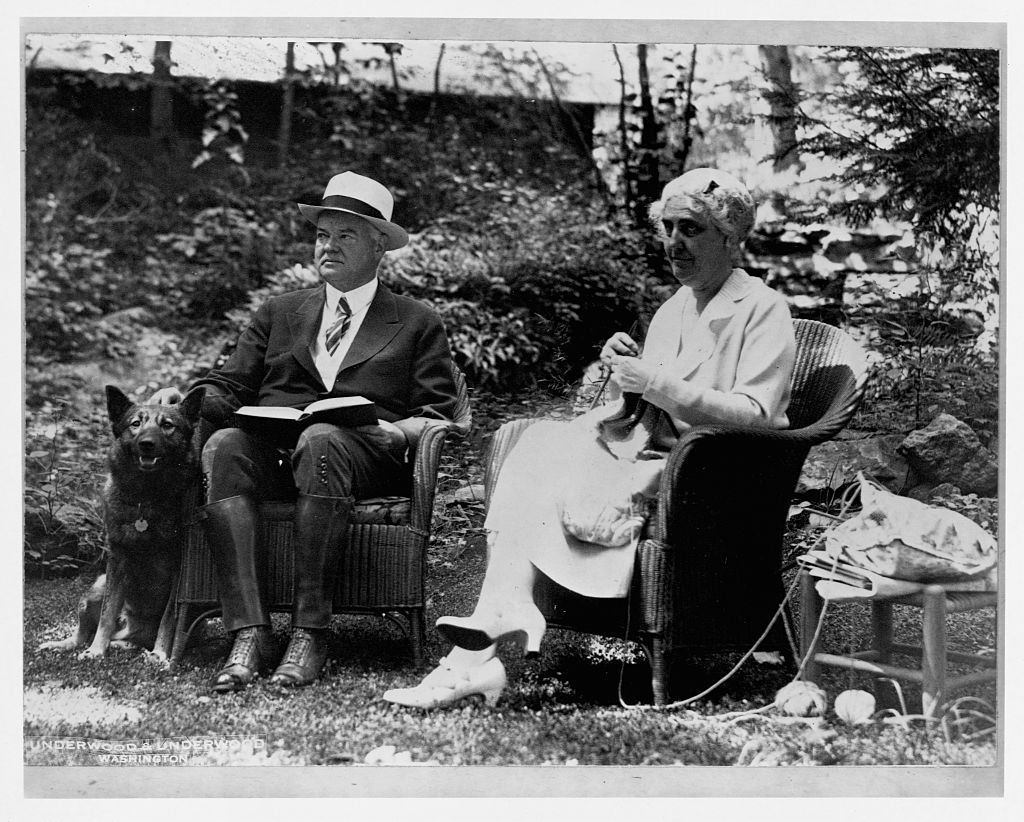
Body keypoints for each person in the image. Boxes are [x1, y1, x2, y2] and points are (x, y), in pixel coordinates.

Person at [382, 167, 797, 709]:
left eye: (691, 229)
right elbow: (650, 405)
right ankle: (490, 630)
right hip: (654, 458)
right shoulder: (674, 309)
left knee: (547, 454)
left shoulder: (763, 309)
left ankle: (478, 651)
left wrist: (653, 380)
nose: (674, 243)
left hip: (712, 480)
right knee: (533, 443)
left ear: (729, 236)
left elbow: (758, 415)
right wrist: (622, 370)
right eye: (668, 228)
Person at [152, 172, 461, 693]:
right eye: (322, 234)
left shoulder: (414, 320)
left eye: (346, 235)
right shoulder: (280, 312)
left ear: (379, 244)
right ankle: (249, 633)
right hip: (276, 450)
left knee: (322, 440)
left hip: (363, 455)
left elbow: (440, 411)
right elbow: (229, 383)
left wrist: (401, 433)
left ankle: (309, 633)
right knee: (226, 444)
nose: (329, 246)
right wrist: (184, 402)